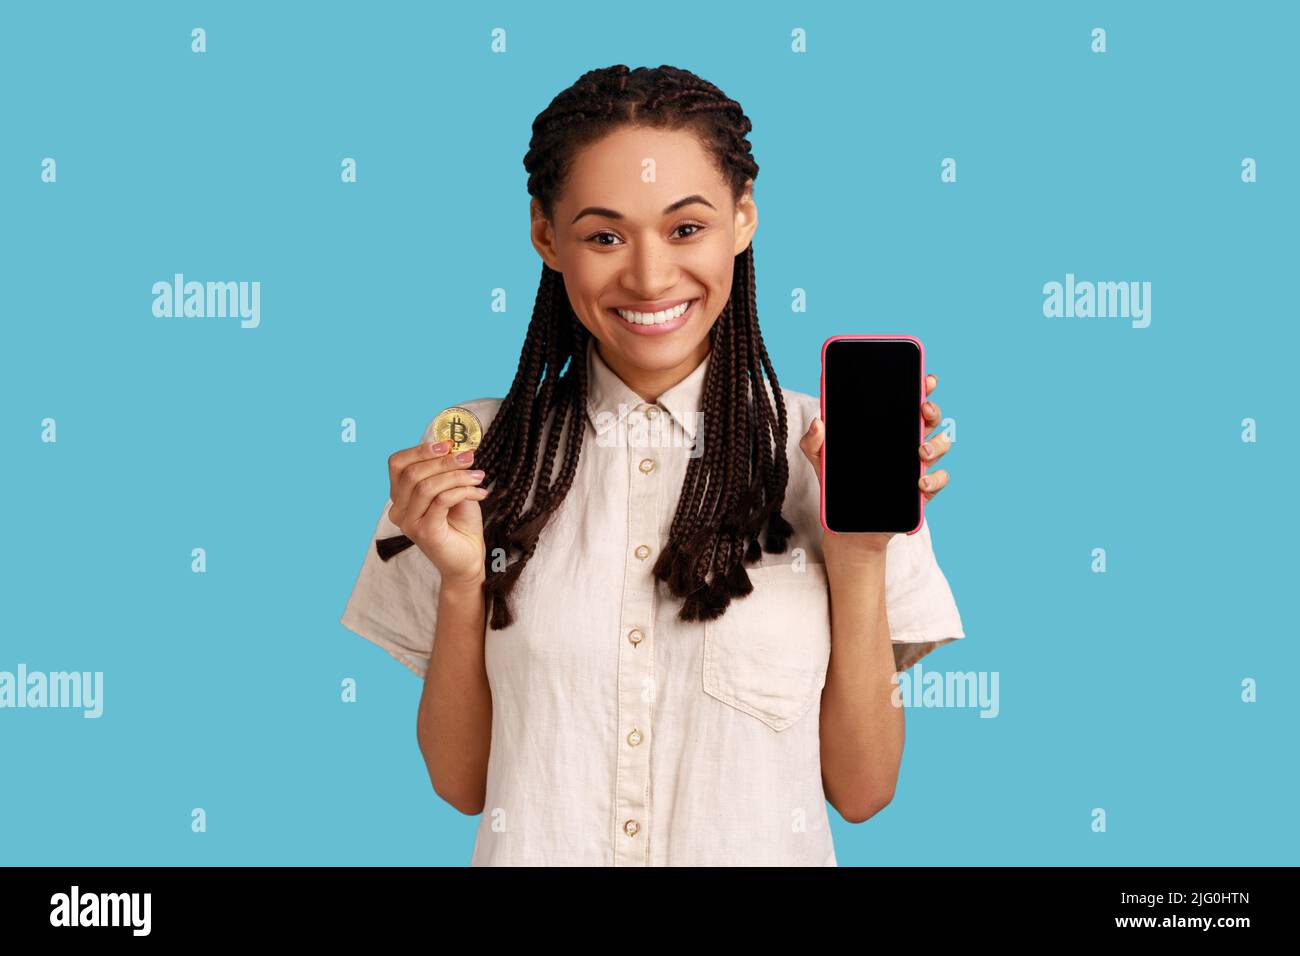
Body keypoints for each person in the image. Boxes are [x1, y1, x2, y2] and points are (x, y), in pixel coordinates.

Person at [340, 64, 964, 866]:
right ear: (544, 234)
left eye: (686, 228)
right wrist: (464, 583)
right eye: (604, 235)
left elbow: (863, 790)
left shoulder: (829, 454)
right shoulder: (472, 459)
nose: (648, 276)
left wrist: (859, 560)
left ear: (743, 219)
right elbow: (464, 786)